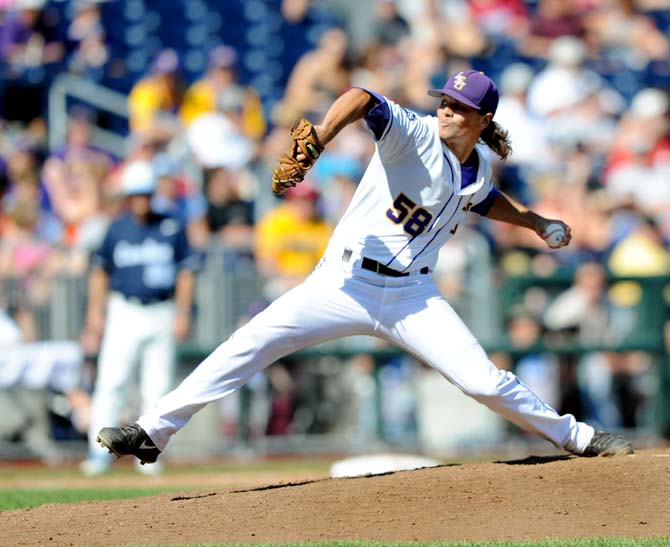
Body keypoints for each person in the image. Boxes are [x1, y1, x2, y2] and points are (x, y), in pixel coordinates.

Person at [96, 70, 634, 466]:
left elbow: (483, 197)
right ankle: (152, 431)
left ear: (482, 119)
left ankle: (578, 439)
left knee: (484, 381)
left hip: (412, 298)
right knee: (250, 342)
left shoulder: (477, 165)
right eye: (444, 100)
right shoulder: (415, 133)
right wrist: (322, 137)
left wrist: (537, 222)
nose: (446, 110)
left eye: (458, 106)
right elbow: (361, 96)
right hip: (343, 282)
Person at [80, 160, 200, 476]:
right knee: (111, 382)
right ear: (127, 197)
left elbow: (187, 272)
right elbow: (99, 272)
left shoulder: (171, 225)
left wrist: (183, 313)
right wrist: (95, 313)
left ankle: (147, 454)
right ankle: (97, 452)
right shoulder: (116, 228)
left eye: (146, 195)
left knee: (157, 387)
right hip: (124, 311)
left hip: (162, 309)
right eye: (136, 195)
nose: (142, 202)